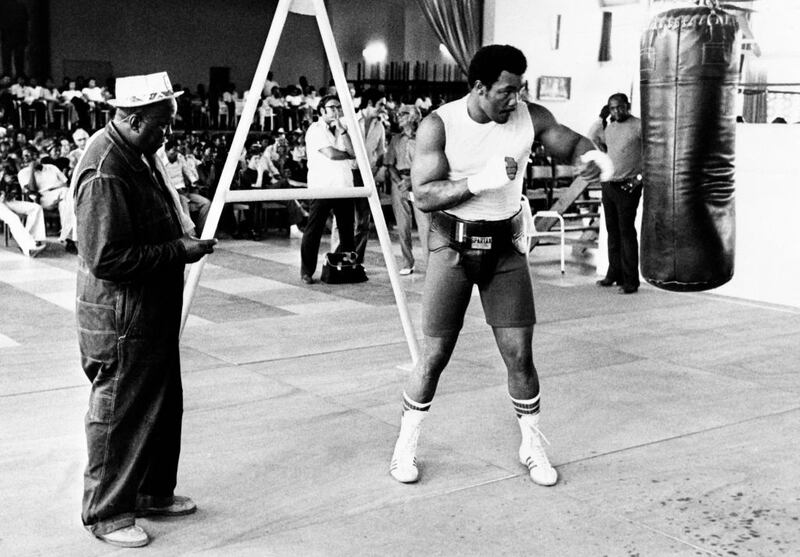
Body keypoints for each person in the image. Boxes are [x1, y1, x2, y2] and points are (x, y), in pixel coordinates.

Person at [388, 45, 607, 486]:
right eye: (506, 91)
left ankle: (532, 445)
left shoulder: (530, 117)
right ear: (479, 87)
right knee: (433, 356)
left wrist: (593, 155)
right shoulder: (440, 125)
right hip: (451, 249)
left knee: (520, 354)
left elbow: (568, 143)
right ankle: (404, 447)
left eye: (520, 89)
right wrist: (479, 182)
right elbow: (425, 195)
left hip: (505, 250)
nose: (516, 99)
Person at [73, 71, 217, 548]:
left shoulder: (137, 152)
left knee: (160, 404)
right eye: (161, 125)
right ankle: (107, 512)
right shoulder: (106, 169)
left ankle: (153, 491)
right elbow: (106, 258)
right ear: (133, 120)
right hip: (121, 318)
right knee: (120, 412)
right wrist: (179, 250)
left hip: (149, 313)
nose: (167, 134)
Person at [300, 94, 356, 284]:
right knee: (313, 230)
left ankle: (348, 267)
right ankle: (307, 271)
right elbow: (330, 154)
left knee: (347, 232)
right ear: (322, 110)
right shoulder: (315, 130)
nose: (336, 111)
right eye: (332, 107)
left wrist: (343, 133)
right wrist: (348, 155)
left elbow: (354, 152)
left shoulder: (343, 129)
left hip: (344, 186)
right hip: (322, 186)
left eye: (338, 107)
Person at [596, 92, 643, 294]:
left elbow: (654, 153)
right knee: (612, 231)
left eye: (620, 107)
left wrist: (639, 179)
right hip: (609, 184)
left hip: (628, 185)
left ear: (628, 106)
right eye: (613, 108)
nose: (616, 111)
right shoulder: (609, 127)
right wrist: (600, 118)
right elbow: (594, 139)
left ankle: (631, 281)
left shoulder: (639, 125)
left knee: (626, 232)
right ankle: (613, 273)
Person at [386, 104, 428, 275]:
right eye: (398, 114)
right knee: (403, 226)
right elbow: (389, 164)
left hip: (419, 183)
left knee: (425, 227)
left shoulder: (424, 138)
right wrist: (400, 183)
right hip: (399, 183)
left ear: (414, 117)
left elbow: (429, 164)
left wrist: (412, 181)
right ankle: (407, 263)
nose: (399, 116)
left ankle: (430, 265)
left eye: (403, 114)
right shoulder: (396, 139)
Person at [17, 145, 76, 252]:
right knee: (66, 195)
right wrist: (31, 170)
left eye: (32, 154)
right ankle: (34, 239)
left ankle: (68, 239)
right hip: (41, 198)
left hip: (60, 195)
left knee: (66, 203)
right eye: (25, 156)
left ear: (37, 155)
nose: (29, 157)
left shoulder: (52, 168)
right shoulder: (23, 173)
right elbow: (32, 190)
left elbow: (66, 184)